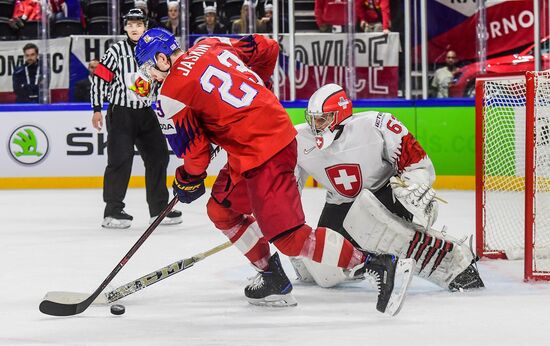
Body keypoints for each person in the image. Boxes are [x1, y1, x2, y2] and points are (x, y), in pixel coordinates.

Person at [135, 28, 415, 315]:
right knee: (221, 210)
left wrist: (187, 180)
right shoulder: (210, 44)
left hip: (267, 153)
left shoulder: (170, 95)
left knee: (290, 238)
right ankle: (272, 277)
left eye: (148, 68)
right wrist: (259, 91)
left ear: (161, 59)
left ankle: (375, 264)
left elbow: (196, 156)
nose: (149, 76)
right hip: (254, 147)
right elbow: (267, 46)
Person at [291, 83, 484, 291]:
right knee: (321, 271)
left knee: (379, 231)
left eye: (322, 119)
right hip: (340, 203)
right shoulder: (298, 139)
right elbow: (288, 187)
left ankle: (454, 261)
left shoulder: (377, 124)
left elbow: (416, 162)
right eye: (312, 119)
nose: (315, 126)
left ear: (340, 114)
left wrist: (413, 186)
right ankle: (364, 260)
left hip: (383, 194)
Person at [90, 9, 181, 229]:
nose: (134, 29)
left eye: (138, 25)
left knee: (159, 156)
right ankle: (112, 212)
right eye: (130, 25)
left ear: (145, 27)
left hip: (145, 112)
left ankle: (158, 209)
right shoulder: (115, 51)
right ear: (124, 27)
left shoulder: (156, 50)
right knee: (120, 160)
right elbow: (100, 79)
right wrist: (96, 108)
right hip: (121, 112)